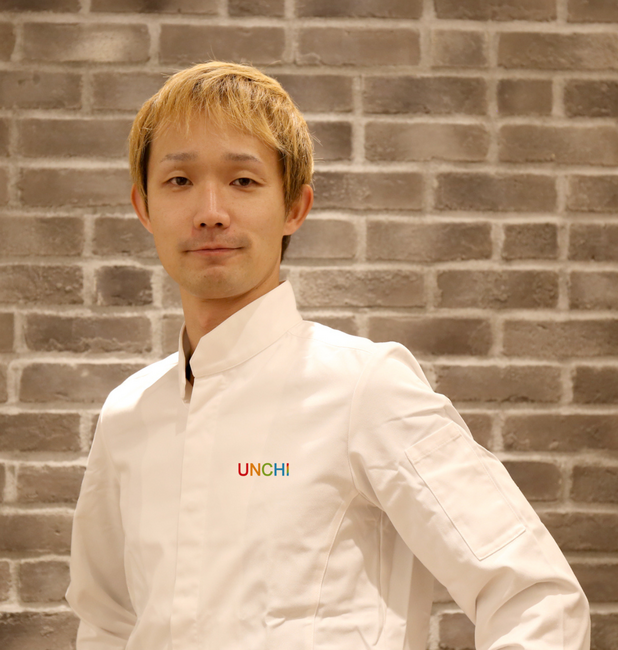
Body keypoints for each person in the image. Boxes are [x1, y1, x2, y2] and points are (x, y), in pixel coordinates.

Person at [66, 61, 591, 649]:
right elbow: (107, 624)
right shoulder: (128, 415)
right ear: (143, 207)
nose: (210, 210)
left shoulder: (365, 387)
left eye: (243, 181)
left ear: (295, 206)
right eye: (179, 180)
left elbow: (535, 597)